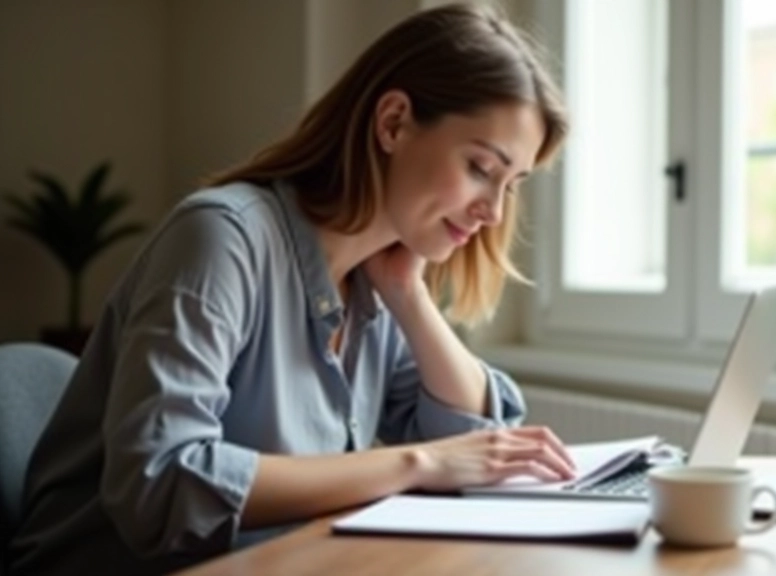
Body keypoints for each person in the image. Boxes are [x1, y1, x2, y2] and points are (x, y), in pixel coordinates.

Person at [8, 4, 574, 574]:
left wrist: (410, 297)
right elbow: (162, 482)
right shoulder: (221, 240)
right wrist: (418, 463)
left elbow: (480, 447)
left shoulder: (374, 280)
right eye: (481, 167)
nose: (494, 212)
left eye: (511, 184)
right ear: (393, 122)